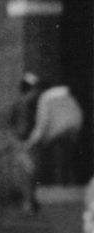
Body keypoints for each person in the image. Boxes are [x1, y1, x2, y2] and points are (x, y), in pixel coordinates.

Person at [24, 79, 83, 211]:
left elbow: (42, 123)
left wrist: (31, 142)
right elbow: (77, 113)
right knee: (66, 165)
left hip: (58, 135)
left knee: (55, 167)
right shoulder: (67, 96)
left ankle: (57, 202)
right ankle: (70, 198)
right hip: (73, 132)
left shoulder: (46, 98)